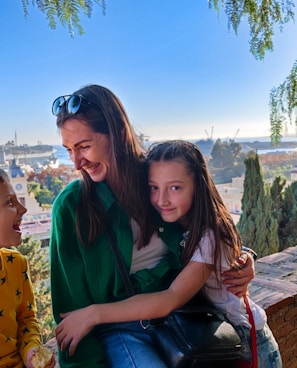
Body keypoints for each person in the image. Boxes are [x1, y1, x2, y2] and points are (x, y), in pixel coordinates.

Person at [50, 84, 255, 368]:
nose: (76, 163)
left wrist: (241, 258)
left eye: (84, 146)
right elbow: (70, 313)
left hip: (184, 314)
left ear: (118, 134)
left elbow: (205, 222)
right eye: (69, 150)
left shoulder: (158, 180)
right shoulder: (71, 207)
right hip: (117, 327)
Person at [0, 169, 55, 368]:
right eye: (10, 202)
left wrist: (31, 350)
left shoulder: (17, 264)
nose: (22, 209)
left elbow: (26, 320)